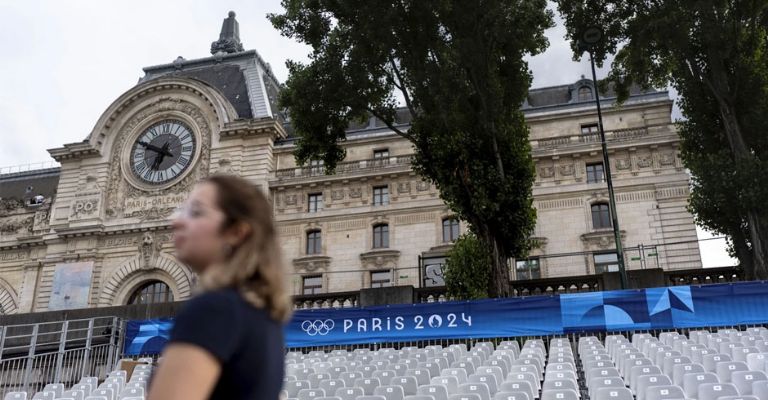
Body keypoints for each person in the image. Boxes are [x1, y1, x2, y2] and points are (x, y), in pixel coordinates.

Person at [148, 175, 292, 400]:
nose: (175, 221)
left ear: (236, 232)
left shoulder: (214, 309)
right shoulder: (263, 317)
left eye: (196, 212)